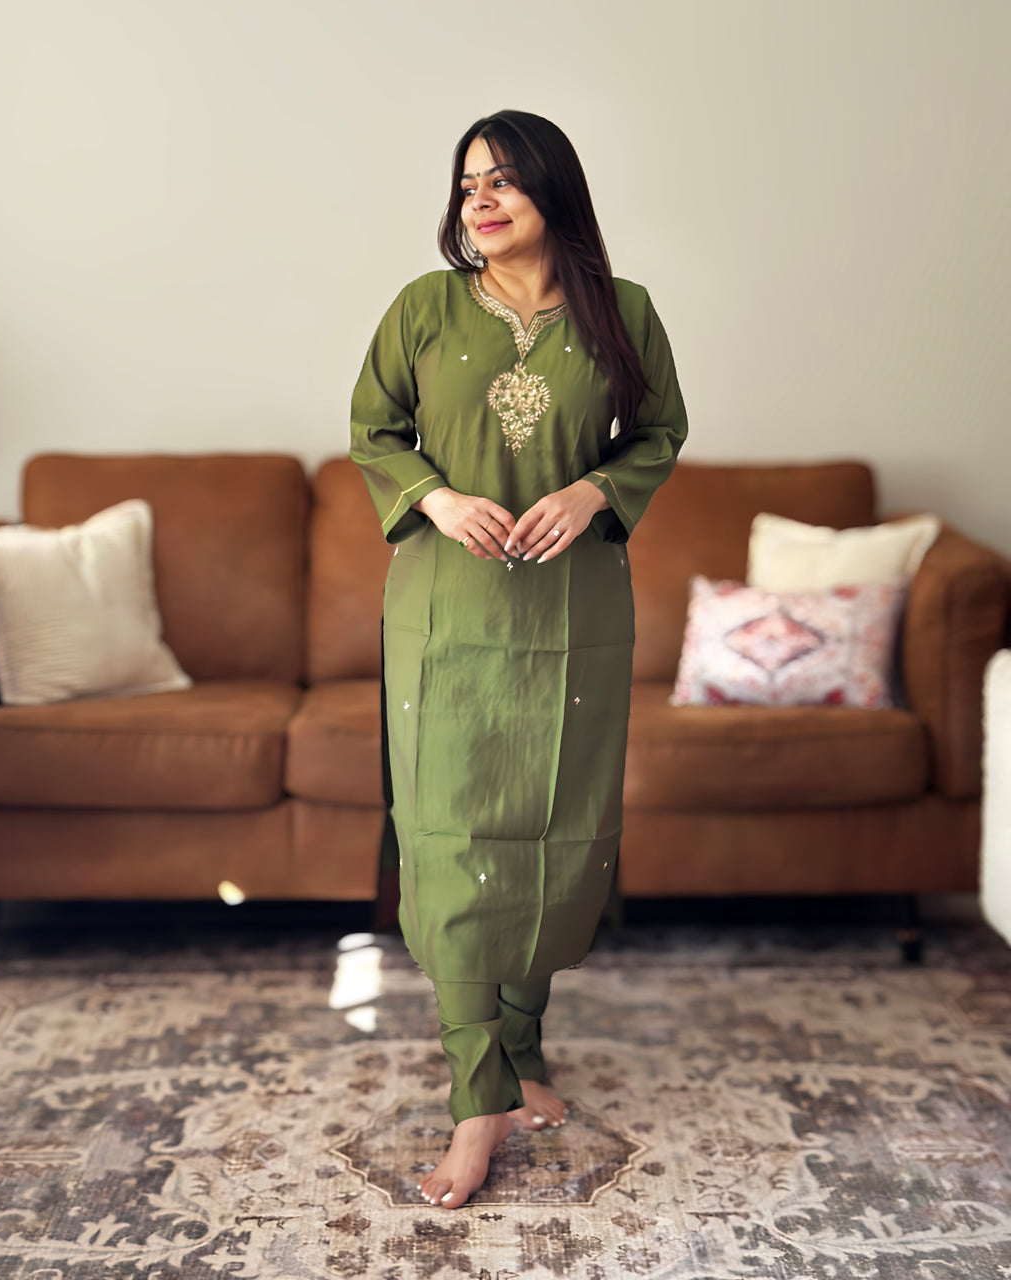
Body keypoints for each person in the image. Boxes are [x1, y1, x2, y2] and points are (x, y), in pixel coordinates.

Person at [350, 109, 687, 1209]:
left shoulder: (620, 312)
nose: (480, 201)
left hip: (571, 613)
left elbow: (657, 431)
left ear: (554, 190)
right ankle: (474, 1101)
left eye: (503, 181)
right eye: (466, 186)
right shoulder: (424, 308)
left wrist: (595, 490)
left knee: (554, 826)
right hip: (446, 614)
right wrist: (436, 498)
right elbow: (372, 430)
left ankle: (526, 1042)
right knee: (448, 842)